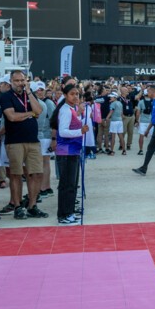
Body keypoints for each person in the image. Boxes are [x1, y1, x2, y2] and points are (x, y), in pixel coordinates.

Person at [0, 70, 48, 219]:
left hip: (33, 140)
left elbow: (39, 110)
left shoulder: (29, 94)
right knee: (16, 174)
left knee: (37, 173)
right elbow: (12, 116)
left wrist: (29, 92)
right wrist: (30, 114)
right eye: (17, 81)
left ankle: (32, 205)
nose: (21, 83)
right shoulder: (6, 96)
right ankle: (18, 206)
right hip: (15, 141)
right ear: (11, 82)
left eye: (23, 80)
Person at [52, 84, 88, 226]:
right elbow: (63, 132)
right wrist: (81, 131)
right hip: (66, 151)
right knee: (67, 184)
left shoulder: (71, 109)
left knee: (72, 184)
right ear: (65, 95)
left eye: (77, 94)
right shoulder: (65, 110)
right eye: (72, 94)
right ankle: (64, 215)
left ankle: (70, 212)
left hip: (73, 150)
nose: (75, 96)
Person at [32, 82, 56, 199]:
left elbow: (54, 120)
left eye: (41, 90)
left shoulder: (48, 103)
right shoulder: (42, 102)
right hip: (43, 135)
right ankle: (45, 187)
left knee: (44, 163)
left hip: (46, 135)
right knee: (44, 163)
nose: (39, 92)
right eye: (38, 90)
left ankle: (44, 187)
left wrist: (53, 138)